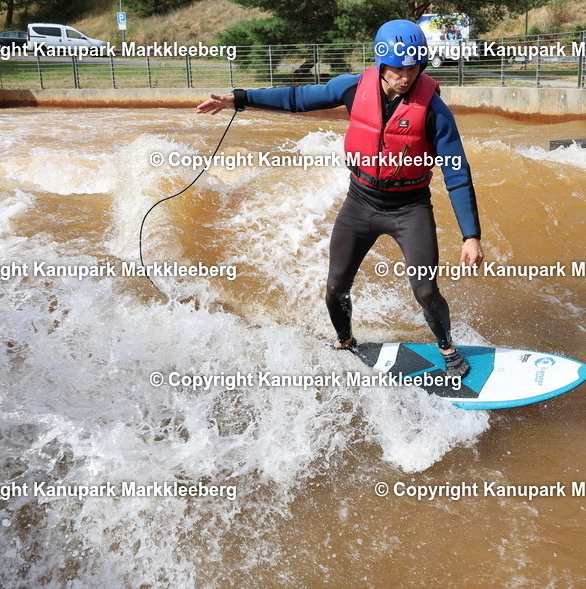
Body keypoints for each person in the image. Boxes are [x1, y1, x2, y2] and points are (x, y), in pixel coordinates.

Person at [196, 20, 483, 377]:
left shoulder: (435, 111)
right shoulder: (352, 87)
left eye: (413, 68)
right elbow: (297, 98)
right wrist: (240, 98)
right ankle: (345, 341)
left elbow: (457, 172)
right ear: (381, 63)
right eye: (398, 69)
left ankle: (448, 349)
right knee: (335, 288)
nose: (406, 77)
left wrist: (471, 235)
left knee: (425, 290)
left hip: (410, 208)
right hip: (360, 202)